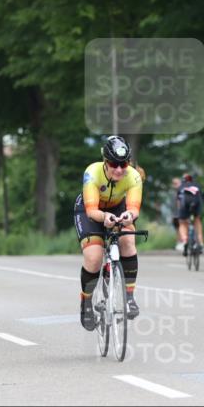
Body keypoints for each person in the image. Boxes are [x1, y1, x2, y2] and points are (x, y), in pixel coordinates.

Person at [74, 136, 143, 331]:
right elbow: (91, 211)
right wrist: (104, 217)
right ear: (105, 162)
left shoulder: (133, 176)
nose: (119, 169)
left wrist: (130, 215)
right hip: (92, 209)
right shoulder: (92, 173)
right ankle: (86, 302)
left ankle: (129, 297)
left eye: (124, 164)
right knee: (94, 257)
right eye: (114, 164)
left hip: (118, 207)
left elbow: (134, 208)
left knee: (128, 240)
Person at [176, 173, 204, 255]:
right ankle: (201, 242)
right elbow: (201, 199)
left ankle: (184, 240)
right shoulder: (197, 185)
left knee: (182, 223)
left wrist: (179, 213)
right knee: (197, 221)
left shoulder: (181, 187)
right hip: (196, 206)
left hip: (184, 207)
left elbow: (178, 202)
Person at [170, 177, 184, 252]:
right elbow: (172, 206)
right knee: (177, 229)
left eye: (176, 183)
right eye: (174, 183)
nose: (175, 185)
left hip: (182, 214)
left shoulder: (182, 192)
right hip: (175, 214)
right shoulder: (173, 193)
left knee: (182, 227)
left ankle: (183, 242)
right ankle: (179, 243)